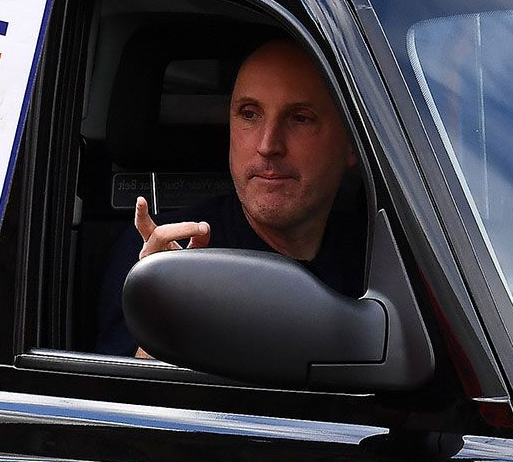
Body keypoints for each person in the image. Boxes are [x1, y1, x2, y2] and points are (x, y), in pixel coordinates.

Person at [96, 36, 363, 355]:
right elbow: (123, 402)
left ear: (352, 143)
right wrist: (163, 311)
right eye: (250, 114)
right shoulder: (164, 255)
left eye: (299, 118)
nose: (268, 144)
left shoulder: (379, 256)